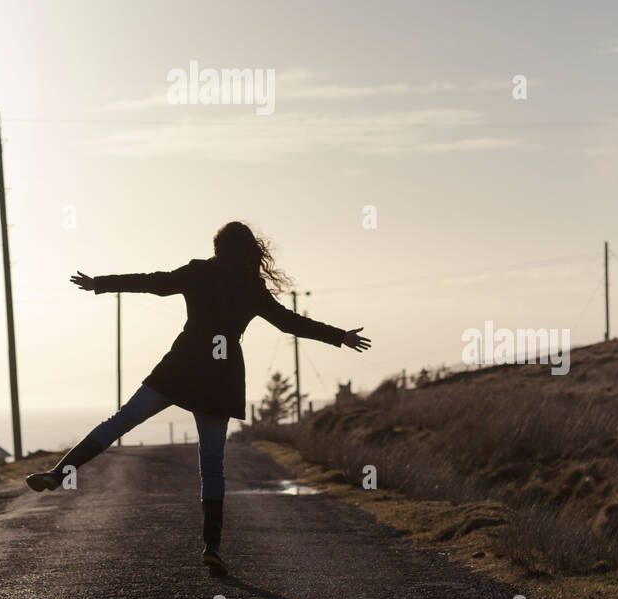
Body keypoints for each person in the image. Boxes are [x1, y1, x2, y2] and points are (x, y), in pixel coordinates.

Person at [26, 222, 369, 574]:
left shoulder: (199, 273)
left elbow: (152, 282)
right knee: (211, 465)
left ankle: (59, 473)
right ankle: (212, 548)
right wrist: (339, 336)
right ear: (249, 250)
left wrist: (101, 284)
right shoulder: (252, 287)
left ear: (219, 249)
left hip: (182, 367)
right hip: (220, 379)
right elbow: (289, 323)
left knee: (121, 421)